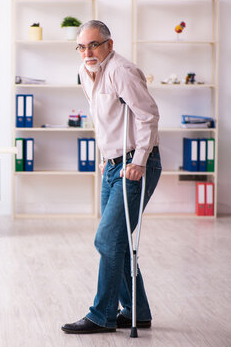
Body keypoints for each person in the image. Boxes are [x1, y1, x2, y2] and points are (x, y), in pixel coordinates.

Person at [61, 20, 162, 334]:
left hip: (136, 164)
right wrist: (106, 159)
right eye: (82, 46)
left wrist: (140, 160)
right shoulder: (84, 73)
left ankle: (101, 315)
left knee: (107, 239)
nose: (87, 52)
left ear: (109, 44)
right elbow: (104, 121)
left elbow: (147, 116)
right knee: (114, 242)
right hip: (113, 165)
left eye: (94, 44)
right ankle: (137, 311)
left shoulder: (123, 71)